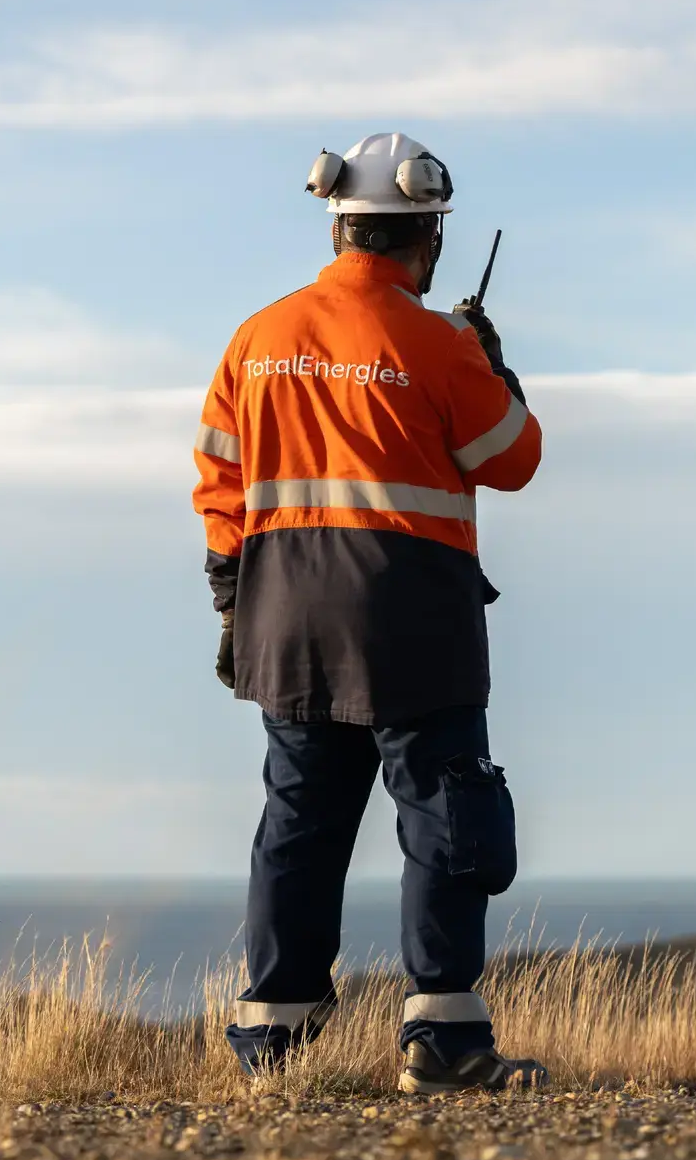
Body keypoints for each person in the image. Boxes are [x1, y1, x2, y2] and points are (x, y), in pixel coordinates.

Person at [191, 132, 546, 1093]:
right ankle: (442, 1043)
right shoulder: (437, 344)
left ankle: (273, 1048)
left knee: (299, 822)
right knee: (442, 809)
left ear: (342, 225)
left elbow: (219, 482)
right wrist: (493, 363)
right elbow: (513, 457)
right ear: (423, 237)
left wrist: (233, 602)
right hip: (412, 618)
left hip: (284, 615)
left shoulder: (257, 337)